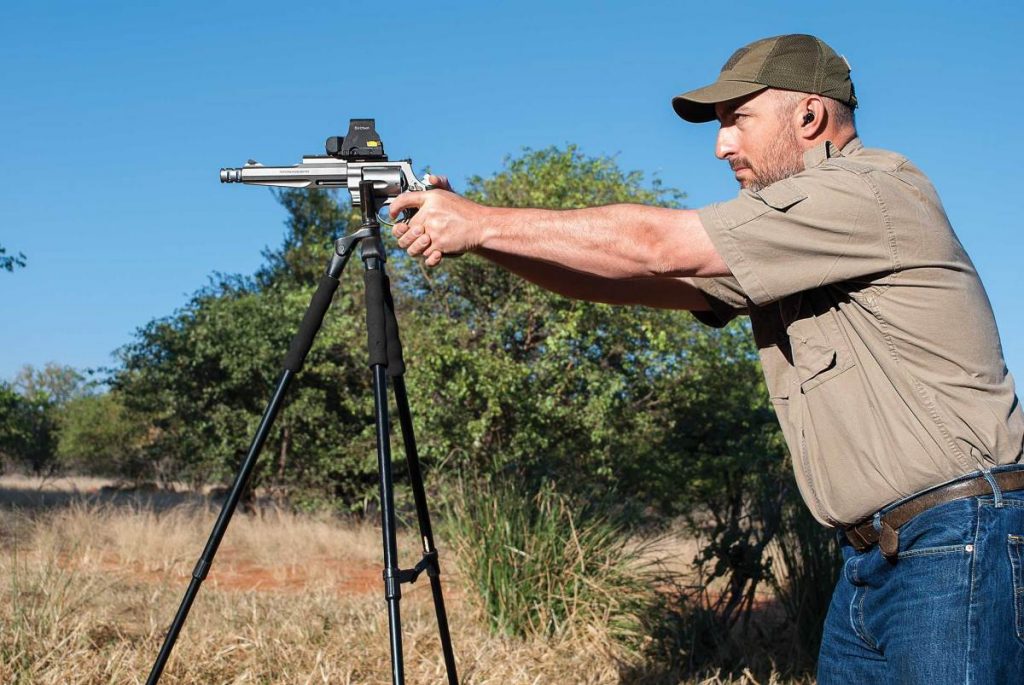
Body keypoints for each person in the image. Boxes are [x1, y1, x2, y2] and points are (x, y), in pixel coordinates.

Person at [391, 34, 1024, 683]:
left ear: (808, 116)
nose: (721, 145)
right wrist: (476, 237)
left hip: (955, 540)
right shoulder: (791, 240)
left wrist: (479, 220)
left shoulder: (867, 191)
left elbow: (653, 245)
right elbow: (620, 280)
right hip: (874, 559)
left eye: (736, 119)